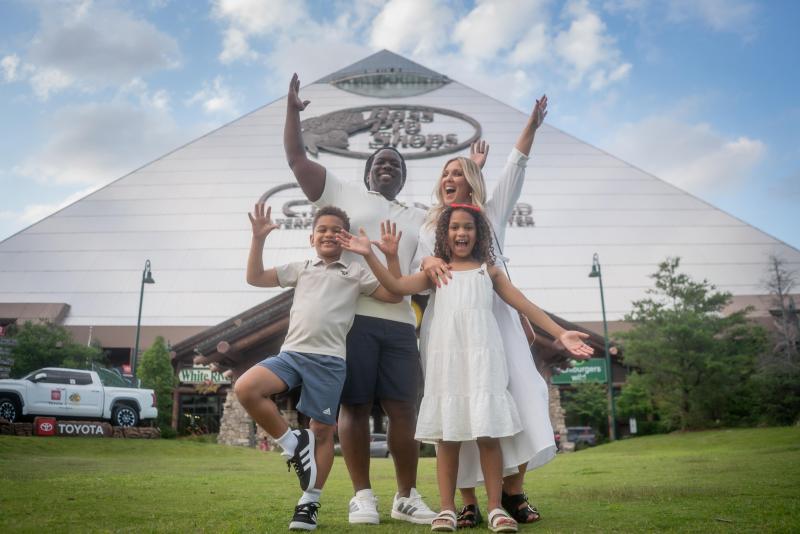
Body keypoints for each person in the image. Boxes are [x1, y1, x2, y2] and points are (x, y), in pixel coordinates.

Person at [339, 204, 593, 533]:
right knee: (447, 437)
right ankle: (446, 509)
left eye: (469, 228)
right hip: (447, 361)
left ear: (479, 233)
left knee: (488, 435)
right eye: (455, 227)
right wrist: (375, 255)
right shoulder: (436, 271)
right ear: (445, 235)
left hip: (484, 362)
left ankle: (495, 508)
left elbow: (523, 303)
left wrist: (560, 332)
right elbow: (398, 286)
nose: (462, 233)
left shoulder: (489, 271)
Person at [283, 73, 437, 525]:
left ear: (404, 175)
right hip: (352, 321)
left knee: (403, 409)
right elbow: (295, 158)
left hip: (400, 322)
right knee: (352, 407)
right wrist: (292, 110)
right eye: (379, 162)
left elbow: (436, 261)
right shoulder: (345, 194)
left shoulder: (421, 218)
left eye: (395, 163)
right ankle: (362, 495)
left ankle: (406, 496)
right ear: (368, 172)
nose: (387, 166)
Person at [417, 97, 563, 526]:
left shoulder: (489, 214)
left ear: (473, 181)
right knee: (456, 409)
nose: (450, 178)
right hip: (448, 330)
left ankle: (511, 493)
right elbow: (416, 270)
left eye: (458, 173)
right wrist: (426, 261)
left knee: (520, 399)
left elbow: (515, 169)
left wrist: (530, 127)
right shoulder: (430, 226)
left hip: (496, 321)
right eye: (445, 173)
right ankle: (466, 501)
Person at [234, 203, 402, 531]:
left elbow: (395, 293)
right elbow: (254, 277)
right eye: (322, 230)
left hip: (329, 362)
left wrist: (387, 256)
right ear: (312, 237)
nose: (328, 235)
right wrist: (258, 239)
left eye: (336, 231)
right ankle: (293, 444)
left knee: (322, 432)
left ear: (346, 239)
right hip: (292, 354)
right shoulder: (301, 268)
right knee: (246, 388)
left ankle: (308, 503)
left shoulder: (355, 272)